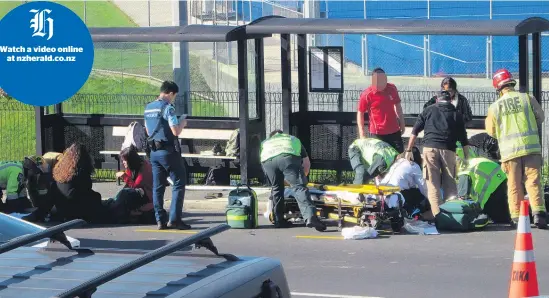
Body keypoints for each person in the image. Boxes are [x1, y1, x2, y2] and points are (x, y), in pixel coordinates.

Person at [485, 68, 547, 229]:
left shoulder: (495, 107)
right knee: (533, 182)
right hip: (531, 148)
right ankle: (539, 214)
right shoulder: (527, 98)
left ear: (498, 88)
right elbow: (541, 117)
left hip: (509, 152)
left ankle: (516, 217)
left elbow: (491, 131)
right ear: (512, 83)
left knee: (514, 185)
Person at [405, 91, 470, 218]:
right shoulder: (457, 114)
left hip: (430, 149)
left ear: (437, 100)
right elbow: (464, 139)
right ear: (451, 100)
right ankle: (452, 216)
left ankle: (438, 216)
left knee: (432, 185)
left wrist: (408, 150)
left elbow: (414, 131)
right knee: (450, 184)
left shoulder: (428, 110)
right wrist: (467, 157)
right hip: (449, 150)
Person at [144, 80, 190, 230]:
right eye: (173, 96)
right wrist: (182, 122)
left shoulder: (148, 108)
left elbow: (147, 131)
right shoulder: (168, 108)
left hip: (153, 152)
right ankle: (175, 219)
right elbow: (175, 131)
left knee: (158, 186)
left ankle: (160, 220)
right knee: (178, 182)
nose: (173, 99)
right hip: (168, 152)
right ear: (170, 93)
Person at [260, 130, 326, 231]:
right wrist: (300, 180)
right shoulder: (292, 139)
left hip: (268, 162)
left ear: (272, 136)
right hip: (288, 158)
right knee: (299, 188)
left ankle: (278, 220)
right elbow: (306, 163)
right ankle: (310, 217)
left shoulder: (266, 142)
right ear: (282, 133)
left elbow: (263, 162)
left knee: (276, 189)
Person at [49, 143, 105, 223]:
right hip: (75, 207)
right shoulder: (81, 171)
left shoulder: (61, 169)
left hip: (61, 206)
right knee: (96, 196)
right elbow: (86, 189)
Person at [356, 68, 406, 153]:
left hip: (394, 130)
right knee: (380, 160)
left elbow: (398, 105)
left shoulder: (392, 88)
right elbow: (360, 113)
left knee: (399, 157)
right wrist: (362, 133)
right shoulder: (367, 94)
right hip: (377, 133)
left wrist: (402, 122)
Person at [106, 145, 154, 224]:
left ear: (131, 160)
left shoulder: (144, 168)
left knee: (124, 194)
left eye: (125, 160)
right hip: (137, 194)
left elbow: (135, 186)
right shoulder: (131, 167)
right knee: (120, 196)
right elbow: (129, 186)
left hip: (146, 196)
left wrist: (124, 176)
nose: (123, 162)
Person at [379, 147, 430, 218]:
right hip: (396, 195)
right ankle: (414, 212)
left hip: (381, 194)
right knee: (420, 197)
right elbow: (423, 187)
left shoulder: (397, 162)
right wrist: (431, 199)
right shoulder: (414, 165)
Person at [457, 157, 511, 224]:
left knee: (501, 218)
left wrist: (477, 212)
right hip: (499, 177)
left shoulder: (463, 174)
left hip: (496, 182)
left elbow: (463, 198)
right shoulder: (465, 166)